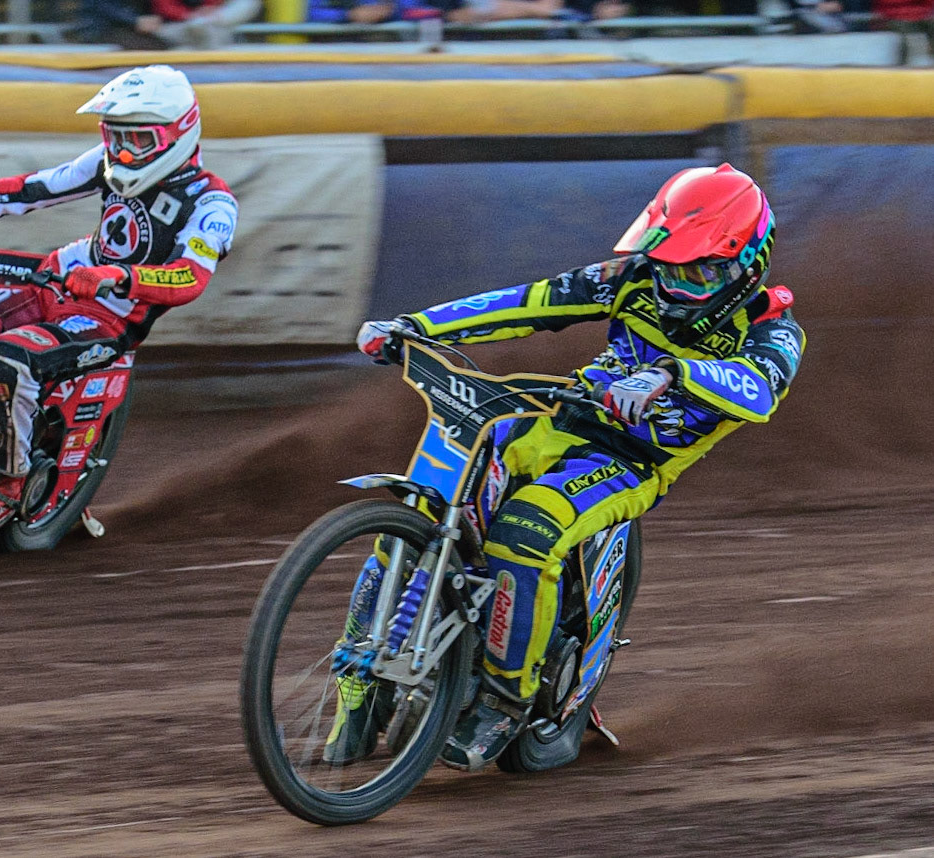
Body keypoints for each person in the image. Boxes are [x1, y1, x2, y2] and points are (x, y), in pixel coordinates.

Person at [341, 163, 805, 771]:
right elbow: (530, 302)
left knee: (525, 531)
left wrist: (672, 374)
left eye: (694, 271)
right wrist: (415, 326)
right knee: (424, 501)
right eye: (667, 264)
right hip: (562, 415)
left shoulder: (775, 330)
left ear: (745, 263)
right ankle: (361, 670)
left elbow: (759, 390)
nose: (673, 283)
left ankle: (504, 701)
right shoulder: (633, 276)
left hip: (634, 459)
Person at [0, 65, 239, 541]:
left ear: (179, 134)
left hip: (111, 318)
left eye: (138, 141)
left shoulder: (212, 203)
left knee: (12, 357)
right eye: (115, 138)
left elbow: (189, 276)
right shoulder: (107, 163)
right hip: (59, 280)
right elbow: (31, 189)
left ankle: (5, 484)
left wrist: (118, 276)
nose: (124, 153)